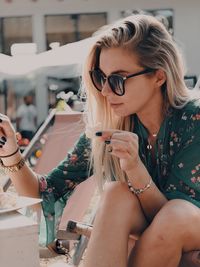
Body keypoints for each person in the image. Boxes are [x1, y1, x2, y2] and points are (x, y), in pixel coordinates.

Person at [0, 13, 200, 266]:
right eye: (100, 78)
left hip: (190, 220)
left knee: (174, 214)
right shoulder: (112, 128)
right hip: (163, 225)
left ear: (159, 77)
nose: (105, 91)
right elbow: (46, 192)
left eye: (118, 80)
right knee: (116, 193)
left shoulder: (194, 119)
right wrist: (11, 153)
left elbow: (173, 216)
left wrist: (135, 169)